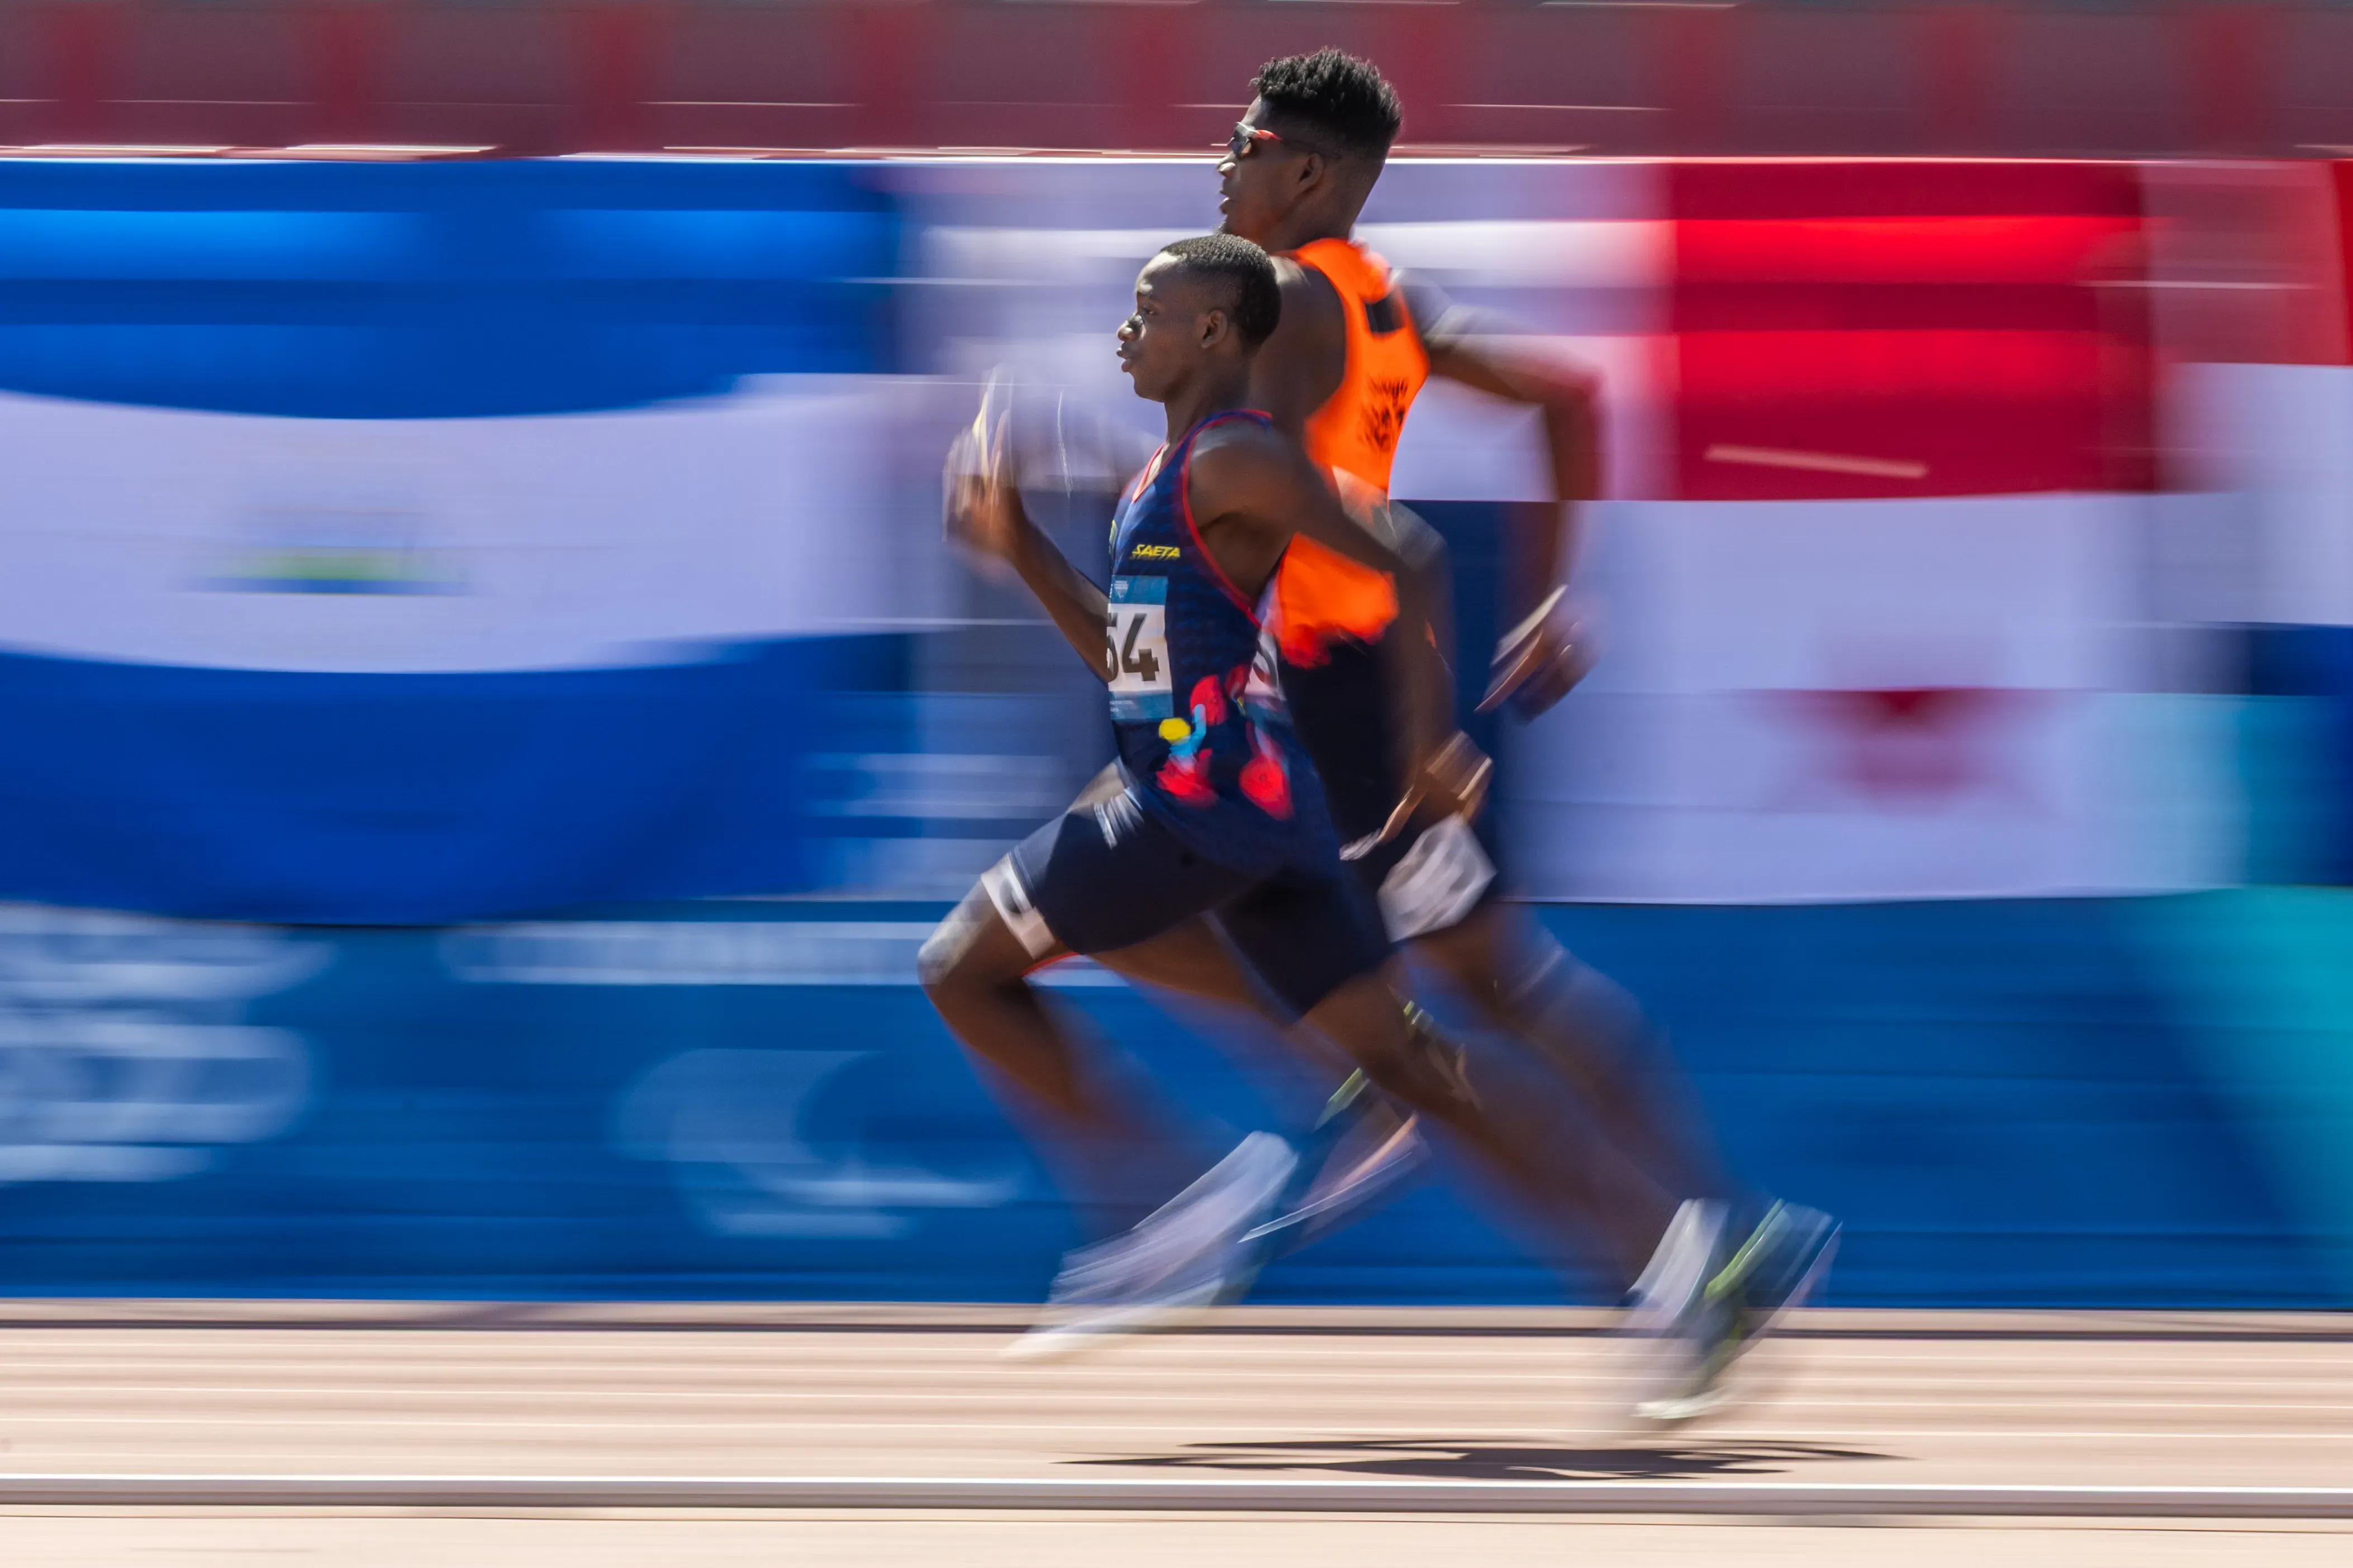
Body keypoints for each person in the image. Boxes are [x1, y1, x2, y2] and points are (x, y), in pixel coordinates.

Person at [1078, 50, 1837, 1422]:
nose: (1223, 162)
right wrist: (1548, 596)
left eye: (1246, 146)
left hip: (1313, 707)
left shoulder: (1286, 300)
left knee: (1146, 901)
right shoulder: (1386, 297)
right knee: (1503, 978)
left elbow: (1255, 496)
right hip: (1365, 688)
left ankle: (1631, 1246)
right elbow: (1565, 398)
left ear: (1309, 173)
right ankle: (1720, 1231)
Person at [921, 234, 1537, 1347]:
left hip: (1190, 811)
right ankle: (1664, 1247)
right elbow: (1133, 665)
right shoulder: (1165, 478)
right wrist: (1019, 544)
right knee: (1402, 1064)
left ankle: (1174, 1202)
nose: (1124, 331)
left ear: (1210, 330)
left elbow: (1409, 553)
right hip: (1248, 817)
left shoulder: (1235, 457)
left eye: (1146, 311)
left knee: (960, 968)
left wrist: (1426, 743)